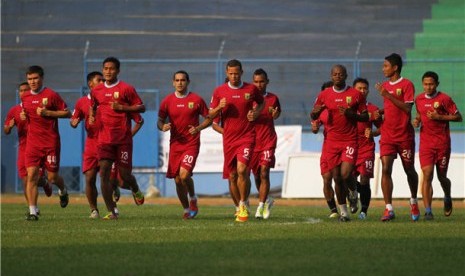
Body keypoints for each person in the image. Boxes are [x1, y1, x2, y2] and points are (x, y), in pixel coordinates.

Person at [89, 57, 146, 220]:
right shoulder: (96, 90)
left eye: (111, 69)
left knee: (125, 176)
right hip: (104, 140)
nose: (108, 71)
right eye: (105, 68)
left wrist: (122, 108)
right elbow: (93, 106)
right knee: (104, 174)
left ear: (118, 71)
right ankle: (111, 211)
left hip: (122, 140)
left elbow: (141, 107)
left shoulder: (126, 89)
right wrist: (92, 116)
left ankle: (135, 188)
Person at [209, 59, 264, 222]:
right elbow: (210, 115)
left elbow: (261, 103)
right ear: (227, 73)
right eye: (231, 73)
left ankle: (242, 204)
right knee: (232, 175)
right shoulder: (219, 91)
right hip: (229, 140)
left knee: (242, 170)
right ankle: (239, 205)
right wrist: (219, 107)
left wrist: (255, 113)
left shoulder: (251, 89)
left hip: (247, 137)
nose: (234, 76)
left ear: (241, 72)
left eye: (236, 73)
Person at [310, 65, 368, 222]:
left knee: (346, 173)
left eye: (340, 74)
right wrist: (315, 113)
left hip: (349, 140)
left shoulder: (355, 95)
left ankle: (354, 192)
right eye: (335, 74)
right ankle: (344, 213)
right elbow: (314, 113)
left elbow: (365, 117)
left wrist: (350, 114)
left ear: (346, 76)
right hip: (331, 142)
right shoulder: (324, 95)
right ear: (331, 76)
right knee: (336, 177)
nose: (337, 76)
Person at [158, 70, 212, 219]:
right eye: (177, 80)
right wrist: (162, 126)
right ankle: (186, 209)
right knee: (177, 179)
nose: (180, 83)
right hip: (175, 144)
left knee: (184, 175)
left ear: (188, 82)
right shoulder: (167, 101)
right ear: (173, 82)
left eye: (183, 80)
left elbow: (209, 119)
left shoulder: (196, 100)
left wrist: (198, 128)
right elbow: (160, 121)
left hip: (191, 143)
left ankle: (193, 198)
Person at [20, 65, 71, 221]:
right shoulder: (25, 97)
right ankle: (33, 211)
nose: (33, 82)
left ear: (42, 78)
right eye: (30, 79)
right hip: (33, 144)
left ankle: (63, 190)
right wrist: (23, 115)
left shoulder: (51, 95)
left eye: (35, 78)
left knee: (52, 178)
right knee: (32, 176)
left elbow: (67, 112)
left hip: (50, 143)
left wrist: (48, 113)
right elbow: (26, 113)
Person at [375, 53, 420, 222]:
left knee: (409, 169)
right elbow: (391, 107)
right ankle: (388, 209)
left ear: (395, 68)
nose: (383, 69)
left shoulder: (407, 84)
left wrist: (387, 95)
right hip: (387, 135)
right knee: (386, 169)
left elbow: (407, 109)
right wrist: (380, 111)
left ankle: (414, 201)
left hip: (404, 135)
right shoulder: (386, 86)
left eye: (386, 66)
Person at [412, 71, 462, 220]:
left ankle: (447, 196)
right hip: (426, 144)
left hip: (442, 144)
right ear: (422, 84)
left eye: (431, 84)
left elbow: (459, 117)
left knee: (442, 177)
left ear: (437, 84)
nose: (428, 87)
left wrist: (440, 117)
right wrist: (417, 121)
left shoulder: (444, 99)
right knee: (427, 174)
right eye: (426, 84)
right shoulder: (419, 99)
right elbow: (420, 114)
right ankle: (428, 211)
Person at [4, 82, 52, 216]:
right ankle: (33, 208)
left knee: (36, 179)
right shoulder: (14, 110)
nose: (24, 92)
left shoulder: (37, 107)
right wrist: (9, 126)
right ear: (19, 93)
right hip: (24, 148)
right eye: (21, 90)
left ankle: (45, 183)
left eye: (26, 90)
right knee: (26, 180)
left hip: (38, 146)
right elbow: (6, 130)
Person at [70, 71, 104, 219]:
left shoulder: (107, 100)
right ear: (91, 84)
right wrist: (74, 122)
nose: (103, 82)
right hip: (91, 144)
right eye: (99, 80)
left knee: (110, 178)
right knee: (89, 177)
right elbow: (73, 120)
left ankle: (113, 202)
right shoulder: (82, 102)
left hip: (107, 142)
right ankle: (94, 209)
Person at [250, 68, 281, 219]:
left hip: (268, 140)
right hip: (252, 142)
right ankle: (267, 199)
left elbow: (277, 112)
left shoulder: (273, 98)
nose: (259, 84)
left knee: (264, 172)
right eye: (256, 82)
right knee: (256, 176)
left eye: (261, 81)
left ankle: (260, 207)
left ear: (267, 82)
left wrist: (276, 114)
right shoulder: (248, 99)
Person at [352, 78, 382, 220]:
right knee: (346, 178)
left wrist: (373, 133)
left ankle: (363, 211)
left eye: (365, 88)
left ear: (368, 91)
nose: (362, 91)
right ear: (353, 90)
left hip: (366, 149)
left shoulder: (373, 109)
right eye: (359, 88)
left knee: (364, 179)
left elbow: (383, 127)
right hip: (350, 149)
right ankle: (352, 195)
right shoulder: (348, 108)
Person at [310, 81, 339, 218]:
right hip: (328, 148)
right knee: (327, 178)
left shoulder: (342, 106)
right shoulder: (321, 111)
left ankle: (351, 195)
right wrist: (315, 128)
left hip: (345, 146)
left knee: (342, 177)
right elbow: (315, 124)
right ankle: (333, 210)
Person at [111, 113, 144, 204]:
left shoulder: (124, 105)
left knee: (124, 177)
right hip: (107, 143)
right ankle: (113, 211)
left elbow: (140, 121)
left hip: (123, 144)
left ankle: (135, 188)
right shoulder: (101, 104)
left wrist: (129, 135)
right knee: (109, 177)